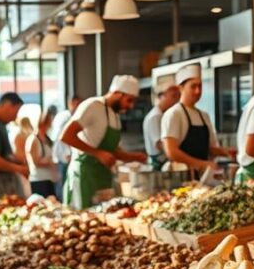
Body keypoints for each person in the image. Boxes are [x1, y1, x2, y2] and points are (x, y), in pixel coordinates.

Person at [61, 76, 147, 209]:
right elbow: (66, 136)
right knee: (84, 220)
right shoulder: (93, 106)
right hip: (85, 175)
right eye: (129, 100)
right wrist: (97, 153)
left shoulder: (115, 116)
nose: (130, 106)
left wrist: (135, 157)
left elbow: (112, 150)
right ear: (117, 93)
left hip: (103, 177)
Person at [161, 63, 235, 176]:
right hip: (181, 177)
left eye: (200, 86)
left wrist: (225, 152)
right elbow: (171, 151)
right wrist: (201, 164)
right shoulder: (174, 114)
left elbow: (209, 148)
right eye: (193, 86)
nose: (197, 91)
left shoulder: (204, 115)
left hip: (202, 176)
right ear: (181, 88)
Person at [50, 96, 82, 197]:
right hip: (64, 157)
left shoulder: (69, 116)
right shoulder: (66, 117)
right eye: (77, 104)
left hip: (65, 156)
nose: (79, 107)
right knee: (64, 186)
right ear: (71, 103)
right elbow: (63, 137)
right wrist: (68, 153)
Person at [143, 83, 180, 170]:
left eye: (178, 96)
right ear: (161, 96)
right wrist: (177, 153)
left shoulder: (164, 115)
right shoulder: (155, 116)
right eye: (173, 96)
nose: (176, 100)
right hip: (158, 164)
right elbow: (159, 144)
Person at [26, 111, 59, 198]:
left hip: (50, 178)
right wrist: (49, 162)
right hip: (39, 180)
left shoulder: (47, 139)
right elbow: (35, 162)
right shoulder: (33, 140)